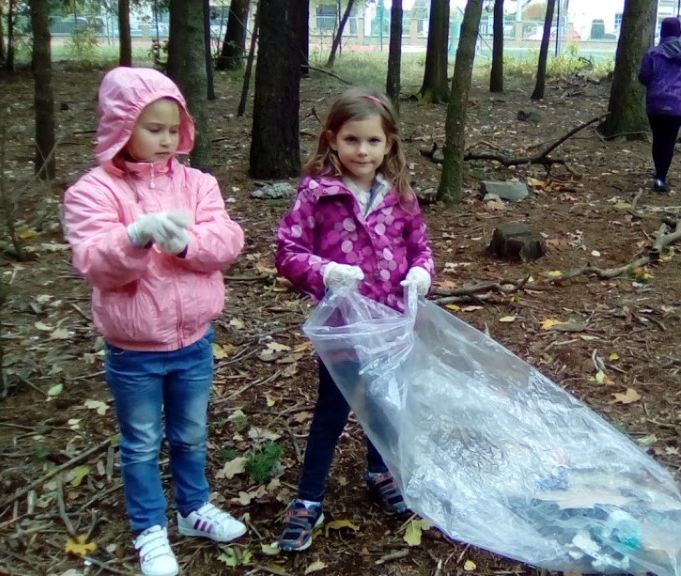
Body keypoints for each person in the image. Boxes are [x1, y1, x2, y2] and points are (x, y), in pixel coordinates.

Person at [62, 67, 246, 576]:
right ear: (122, 126)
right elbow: (96, 264)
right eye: (153, 128)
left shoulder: (197, 183)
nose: (166, 139)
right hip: (134, 349)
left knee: (191, 433)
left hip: (194, 342)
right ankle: (149, 528)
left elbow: (227, 241)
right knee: (141, 441)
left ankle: (193, 508)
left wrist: (187, 244)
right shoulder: (93, 191)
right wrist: (135, 236)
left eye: (173, 128)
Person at [274, 87, 435, 552]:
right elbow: (287, 251)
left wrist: (422, 273)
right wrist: (323, 271)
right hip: (343, 329)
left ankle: (379, 470)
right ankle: (308, 499)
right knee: (333, 408)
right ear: (332, 139)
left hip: (392, 325)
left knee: (384, 402)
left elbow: (420, 247)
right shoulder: (317, 194)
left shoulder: (400, 195)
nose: (362, 151)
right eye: (351, 140)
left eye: (372, 141)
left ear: (389, 144)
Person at [638, 17, 681, 192]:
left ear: (662, 32)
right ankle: (661, 177)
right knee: (669, 141)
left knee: (658, 139)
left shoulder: (652, 53)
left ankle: (658, 172)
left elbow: (643, 77)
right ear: (679, 32)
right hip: (676, 104)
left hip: (655, 103)